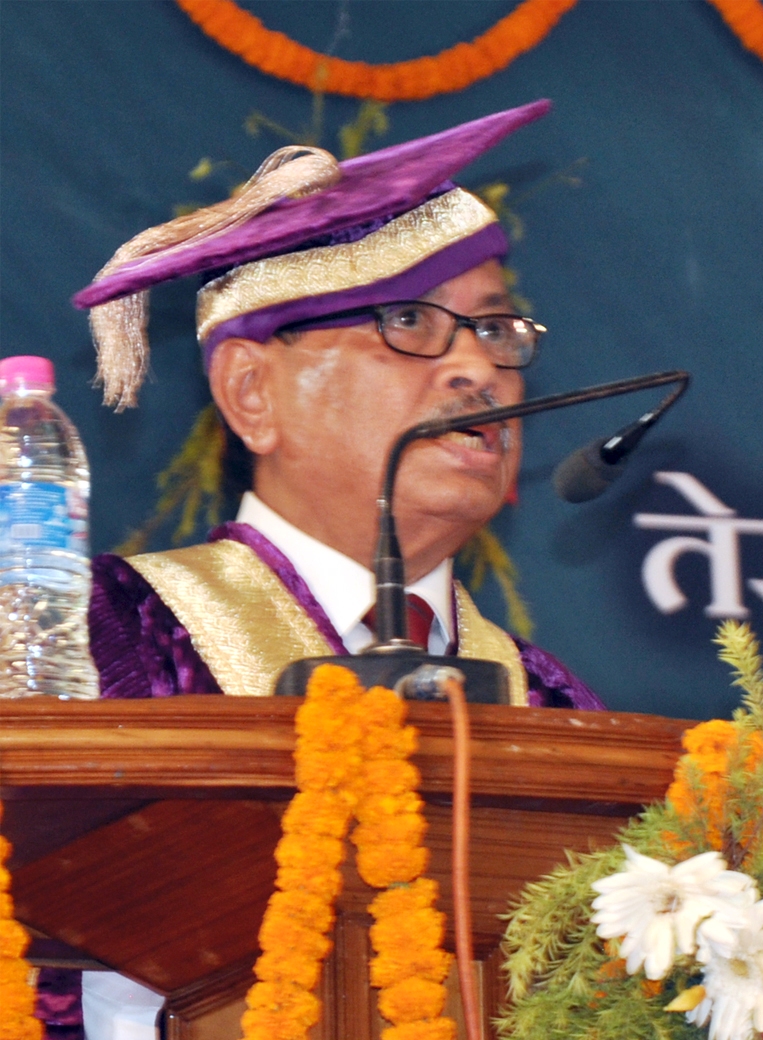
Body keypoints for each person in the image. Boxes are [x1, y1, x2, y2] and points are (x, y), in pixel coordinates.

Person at [73, 99, 603, 712]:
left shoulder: (548, 699)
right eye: (408, 319)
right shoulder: (104, 643)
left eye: (495, 328)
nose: (479, 368)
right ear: (251, 392)